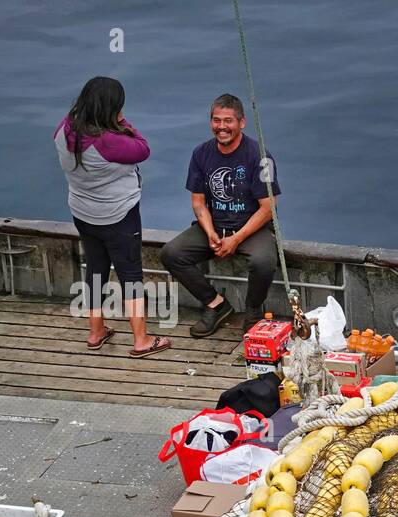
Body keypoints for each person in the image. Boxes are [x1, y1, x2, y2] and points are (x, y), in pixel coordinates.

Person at [54, 76, 170, 357]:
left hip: (83, 212)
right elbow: (143, 148)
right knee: (130, 275)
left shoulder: (65, 129)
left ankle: (96, 332)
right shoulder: (110, 143)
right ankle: (141, 340)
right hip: (118, 216)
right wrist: (123, 123)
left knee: (95, 270)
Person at [160, 93, 281, 338]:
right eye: (216, 120)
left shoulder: (260, 156)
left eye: (228, 121)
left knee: (263, 262)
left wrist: (236, 239)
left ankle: (253, 310)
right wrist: (210, 232)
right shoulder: (200, 153)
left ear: (241, 122)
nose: (221, 127)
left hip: (252, 229)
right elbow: (198, 202)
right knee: (171, 253)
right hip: (215, 226)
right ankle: (216, 304)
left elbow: (268, 208)